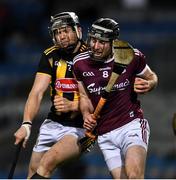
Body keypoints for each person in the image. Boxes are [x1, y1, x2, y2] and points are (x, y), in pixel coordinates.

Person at [73, 18, 158, 179]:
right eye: (93, 40)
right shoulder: (80, 64)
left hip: (130, 125)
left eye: (102, 42)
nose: (95, 46)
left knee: (134, 176)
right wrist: (86, 114)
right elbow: (84, 95)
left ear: (113, 42)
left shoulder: (131, 55)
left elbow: (152, 77)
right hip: (105, 135)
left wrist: (150, 84)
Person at [13, 12, 89, 179]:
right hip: (53, 122)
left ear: (78, 30)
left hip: (82, 127)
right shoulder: (50, 55)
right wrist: (26, 124)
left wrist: (73, 105)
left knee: (48, 161)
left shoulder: (92, 57)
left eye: (66, 30)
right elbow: (37, 92)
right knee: (33, 171)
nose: (61, 36)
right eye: (57, 32)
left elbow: (102, 100)